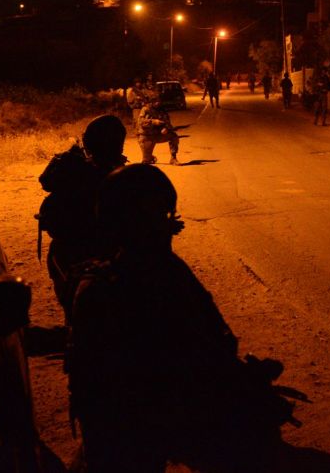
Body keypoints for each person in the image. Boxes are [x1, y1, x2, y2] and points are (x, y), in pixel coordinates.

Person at [68, 165, 295, 472]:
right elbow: (174, 363)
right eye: (152, 218)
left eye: (164, 216)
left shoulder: (157, 270)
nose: (163, 227)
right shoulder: (115, 287)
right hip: (133, 431)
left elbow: (207, 341)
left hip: (148, 421)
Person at [38, 115, 127, 323]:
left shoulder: (73, 169)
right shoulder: (113, 176)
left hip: (66, 253)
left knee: (76, 313)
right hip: (98, 253)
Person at [137, 99, 181, 165]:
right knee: (146, 161)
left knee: (173, 136)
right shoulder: (145, 109)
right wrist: (153, 122)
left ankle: (173, 158)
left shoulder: (161, 109)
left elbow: (167, 122)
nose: (157, 103)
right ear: (152, 102)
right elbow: (140, 122)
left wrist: (166, 128)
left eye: (159, 101)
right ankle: (149, 157)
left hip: (158, 135)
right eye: (156, 101)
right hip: (147, 136)